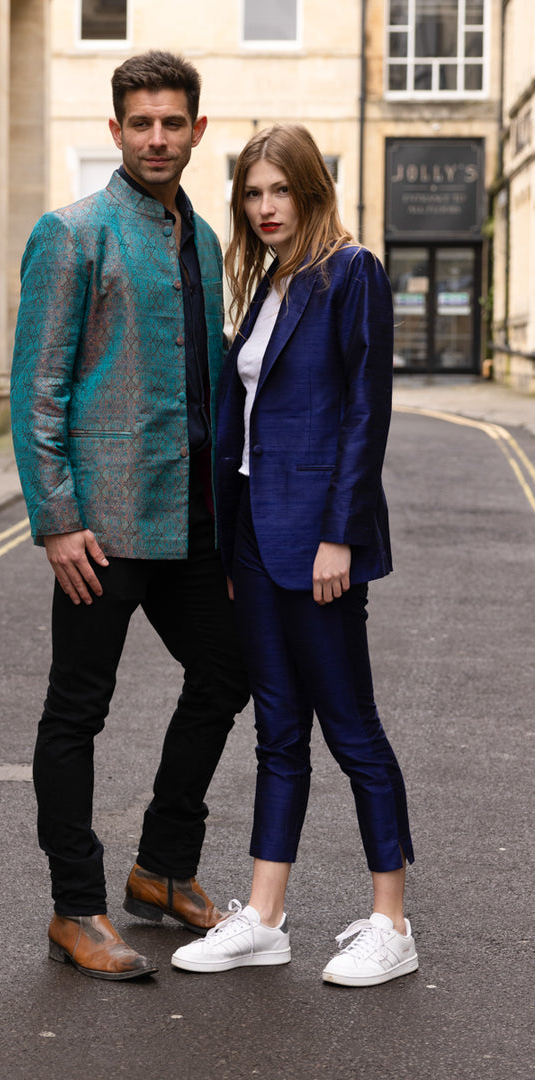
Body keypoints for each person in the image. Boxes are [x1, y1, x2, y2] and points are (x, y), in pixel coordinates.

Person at [10, 51, 249, 982]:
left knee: (227, 673)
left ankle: (162, 866)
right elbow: (38, 387)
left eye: (173, 122)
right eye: (140, 122)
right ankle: (77, 906)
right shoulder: (73, 233)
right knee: (78, 710)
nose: (157, 137)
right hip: (100, 533)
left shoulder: (204, 241)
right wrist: (57, 519)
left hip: (191, 520)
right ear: (116, 132)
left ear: (197, 130)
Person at [171, 123, 417, 987]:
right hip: (253, 539)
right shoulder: (269, 280)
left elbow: (363, 412)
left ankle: (392, 919)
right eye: (251, 192)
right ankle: (265, 917)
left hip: (319, 542)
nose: (265, 207)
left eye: (280, 190)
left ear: (311, 190)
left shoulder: (352, 273)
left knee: (351, 728)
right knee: (277, 734)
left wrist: (339, 534)